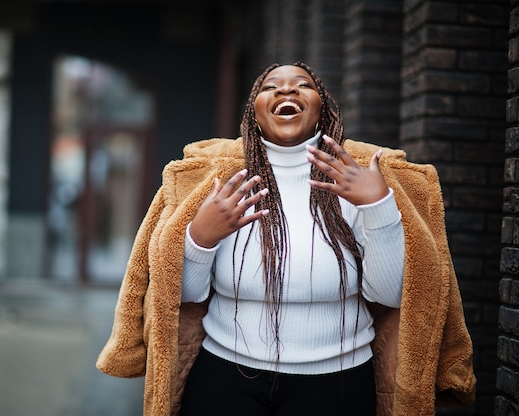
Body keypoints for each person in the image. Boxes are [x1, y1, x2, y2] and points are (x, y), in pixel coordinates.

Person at [96, 62, 476, 416]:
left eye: (302, 85)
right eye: (270, 87)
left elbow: (391, 296)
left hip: (338, 386)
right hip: (224, 377)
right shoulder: (218, 182)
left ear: (322, 108)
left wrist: (378, 205)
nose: (285, 91)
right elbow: (187, 295)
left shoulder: (356, 178)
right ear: (254, 111)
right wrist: (200, 238)